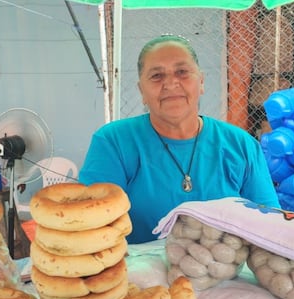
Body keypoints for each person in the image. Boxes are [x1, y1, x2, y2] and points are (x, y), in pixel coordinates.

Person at [79, 34, 280, 244]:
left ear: (201, 82)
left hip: (226, 272)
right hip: (137, 274)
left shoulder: (242, 145)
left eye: (182, 72)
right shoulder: (114, 142)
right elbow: (93, 224)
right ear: (142, 91)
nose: (171, 83)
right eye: (157, 75)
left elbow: (269, 227)